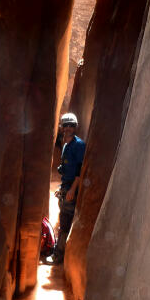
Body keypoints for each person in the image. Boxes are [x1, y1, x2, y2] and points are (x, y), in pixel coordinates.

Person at [47, 113, 86, 264]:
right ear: (62, 128)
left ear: (75, 128)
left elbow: (79, 170)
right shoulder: (65, 146)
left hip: (72, 189)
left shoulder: (78, 145)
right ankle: (60, 253)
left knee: (65, 223)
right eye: (66, 125)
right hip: (66, 187)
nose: (68, 128)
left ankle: (59, 256)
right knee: (63, 220)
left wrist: (71, 190)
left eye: (71, 126)